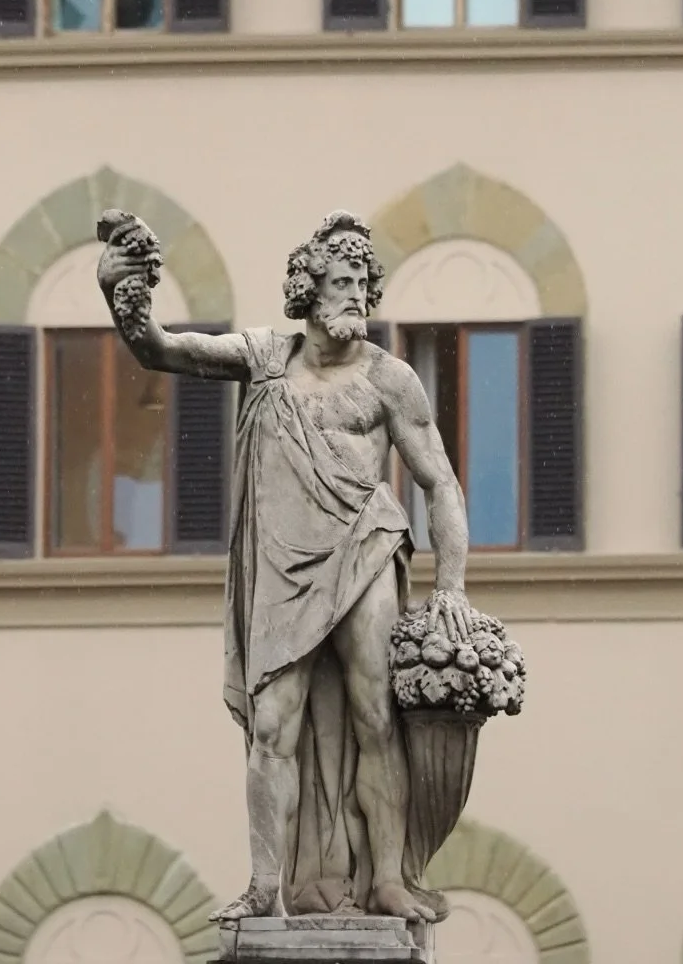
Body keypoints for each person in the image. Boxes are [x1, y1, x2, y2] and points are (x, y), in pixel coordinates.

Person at [97, 210, 474, 923]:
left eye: (362, 282)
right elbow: (160, 349)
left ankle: (387, 879)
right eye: (341, 281)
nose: (355, 295)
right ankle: (264, 885)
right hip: (282, 569)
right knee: (272, 727)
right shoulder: (266, 357)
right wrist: (119, 292)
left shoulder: (390, 380)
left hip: (364, 548)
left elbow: (441, 483)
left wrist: (450, 585)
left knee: (375, 716)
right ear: (308, 288)